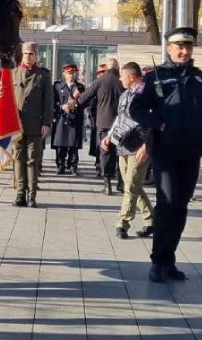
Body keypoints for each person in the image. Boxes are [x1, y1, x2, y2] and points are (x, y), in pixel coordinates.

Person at [129, 26, 202, 282]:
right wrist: (157, 123)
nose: (183, 51)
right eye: (179, 47)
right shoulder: (156, 77)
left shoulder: (199, 78)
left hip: (191, 151)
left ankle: (169, 260)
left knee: (180, 206)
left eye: (188, 47)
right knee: (167, 204)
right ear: (169, 49)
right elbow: (136, 108)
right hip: (166, 151)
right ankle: (158, 261)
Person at [100, 62, 154, 240]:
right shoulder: (125, 95)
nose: (120, 79)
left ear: (131, 76)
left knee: (130, 186)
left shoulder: (147, 95)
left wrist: (147, 145)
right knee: (133, 185)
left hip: (139, 147)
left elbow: (151, 122)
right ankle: (152, 220)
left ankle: (122, 223)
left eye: (122, 76)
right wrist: (110, 136)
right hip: (122, 146)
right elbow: (120, 118)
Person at [11, 42, 52, 208]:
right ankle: (20, 193)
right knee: (18, 159)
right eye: (26, 53)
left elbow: (48, 103)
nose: (28, 56)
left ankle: (31, 195)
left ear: (37, 56)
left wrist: (47, 123)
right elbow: (6, 101)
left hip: (35, 124)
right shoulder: (13, 74)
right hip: (16, 125)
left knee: (32, 160)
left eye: (31, 54)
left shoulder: (43, 76)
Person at [77, 57, 124, 194]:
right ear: (118, 67)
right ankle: (121, 183)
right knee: (121, 152)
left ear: (106, 68)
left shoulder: (99, 81)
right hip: (121, 123)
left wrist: (77, 101)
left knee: (106, 152)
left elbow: (83, 100)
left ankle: (107, 183)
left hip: (104, 123)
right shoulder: (123, 81)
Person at [51, 64, 85, 175]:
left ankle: (73, 166)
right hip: (61, 117)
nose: (72, 75)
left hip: (74, 118)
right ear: (64, 73)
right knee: (61, 144)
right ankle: (61, 165)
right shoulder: (57, 86)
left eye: (74, 72)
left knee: (73, 144)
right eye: (69, 72)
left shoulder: (80, 87)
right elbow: (53, 102)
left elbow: (85, 102)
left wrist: (77, 104)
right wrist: (61, 107)